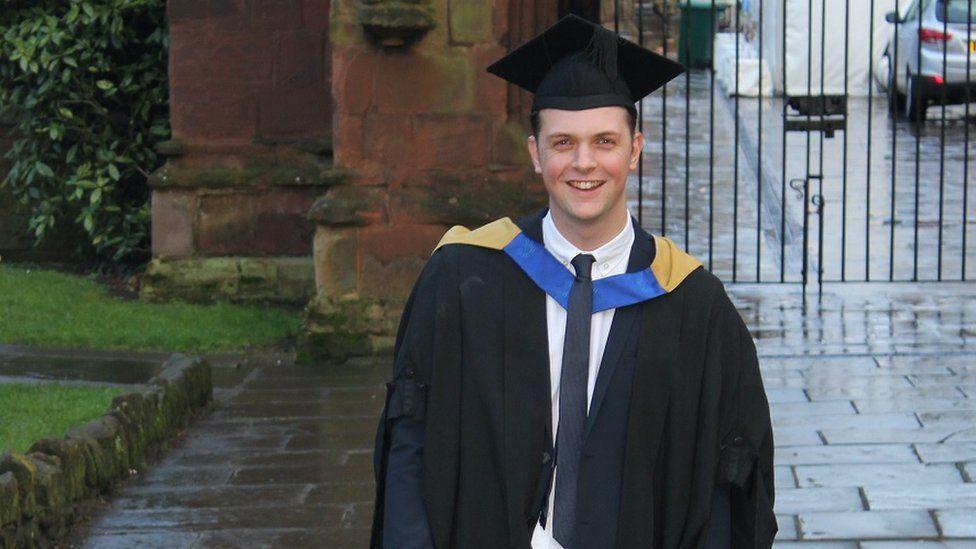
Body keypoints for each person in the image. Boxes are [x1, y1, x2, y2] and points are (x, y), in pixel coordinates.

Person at [370, 14, 776, 549]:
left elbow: (728, 484)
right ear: (536, 154)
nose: (584, 163)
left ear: (634, 150)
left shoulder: (695, 306)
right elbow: (410, 447)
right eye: (563, 142)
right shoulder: (462, 279)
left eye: (604, 141)